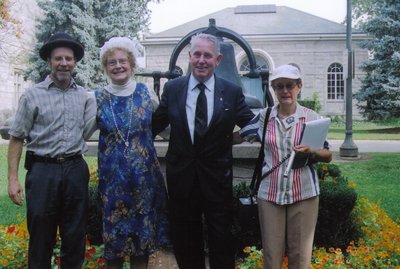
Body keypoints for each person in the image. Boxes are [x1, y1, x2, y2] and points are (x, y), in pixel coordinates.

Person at [152, 33, 254, 269]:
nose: (201, 60)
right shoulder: (174, 88)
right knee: (186, 243)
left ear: (218, 60)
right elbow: (152, 125)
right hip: (182, 180)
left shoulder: (230, 91)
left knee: (222, 241)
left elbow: (252, 123)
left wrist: (236, 138)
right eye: (196, 54)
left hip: (217, 181)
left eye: (207, 55)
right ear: (189, 57)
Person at [7, 32, 95, 269]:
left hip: (76, 170)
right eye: (58, 58)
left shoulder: (85, 96)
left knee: (75, 237)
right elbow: (16, 138)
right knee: (41, 239)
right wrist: (13, 179)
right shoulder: (32, 95)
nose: (64, 63)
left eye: (68, 58)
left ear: (75, 62)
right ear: (49, 61)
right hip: (43, 171)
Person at [239, 64, 333, 269]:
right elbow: (239, 135)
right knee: (272, 256)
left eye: (289, 85)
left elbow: (328, 154)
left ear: (299, 86)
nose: (284, 91)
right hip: (270, 194)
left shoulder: (311, 117)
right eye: (279, 86)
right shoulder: (264, 117)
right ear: (273, 89)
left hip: (304, 193)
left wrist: (312, 151)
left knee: (300, 256)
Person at [94, 37, 169, 269]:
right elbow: (82, 129)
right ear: (105, 67)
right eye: (112, 62)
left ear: (132, 64)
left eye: (122, 61)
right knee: (114, 243)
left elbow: (167, 129)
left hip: (144, 180)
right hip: (112, 182)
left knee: (142, 239)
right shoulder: (96, 97)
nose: (118, 66)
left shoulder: (146, 94)